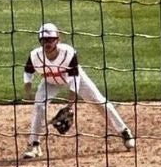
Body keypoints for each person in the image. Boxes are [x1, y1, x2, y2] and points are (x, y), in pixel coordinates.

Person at [22, 22, 135, 159]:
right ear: (40, 41)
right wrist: (27, 86)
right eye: (45, 40)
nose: (48, 43)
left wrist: (70, 106)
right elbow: (28, 71)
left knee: (98, 101)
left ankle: (124, 131)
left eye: (51, 39)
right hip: (50, 81)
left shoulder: (68, 53)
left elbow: (74, 80)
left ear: (58, 39)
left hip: (75, 78)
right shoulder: (35, 56)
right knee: (39, 106)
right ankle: (34, 145)